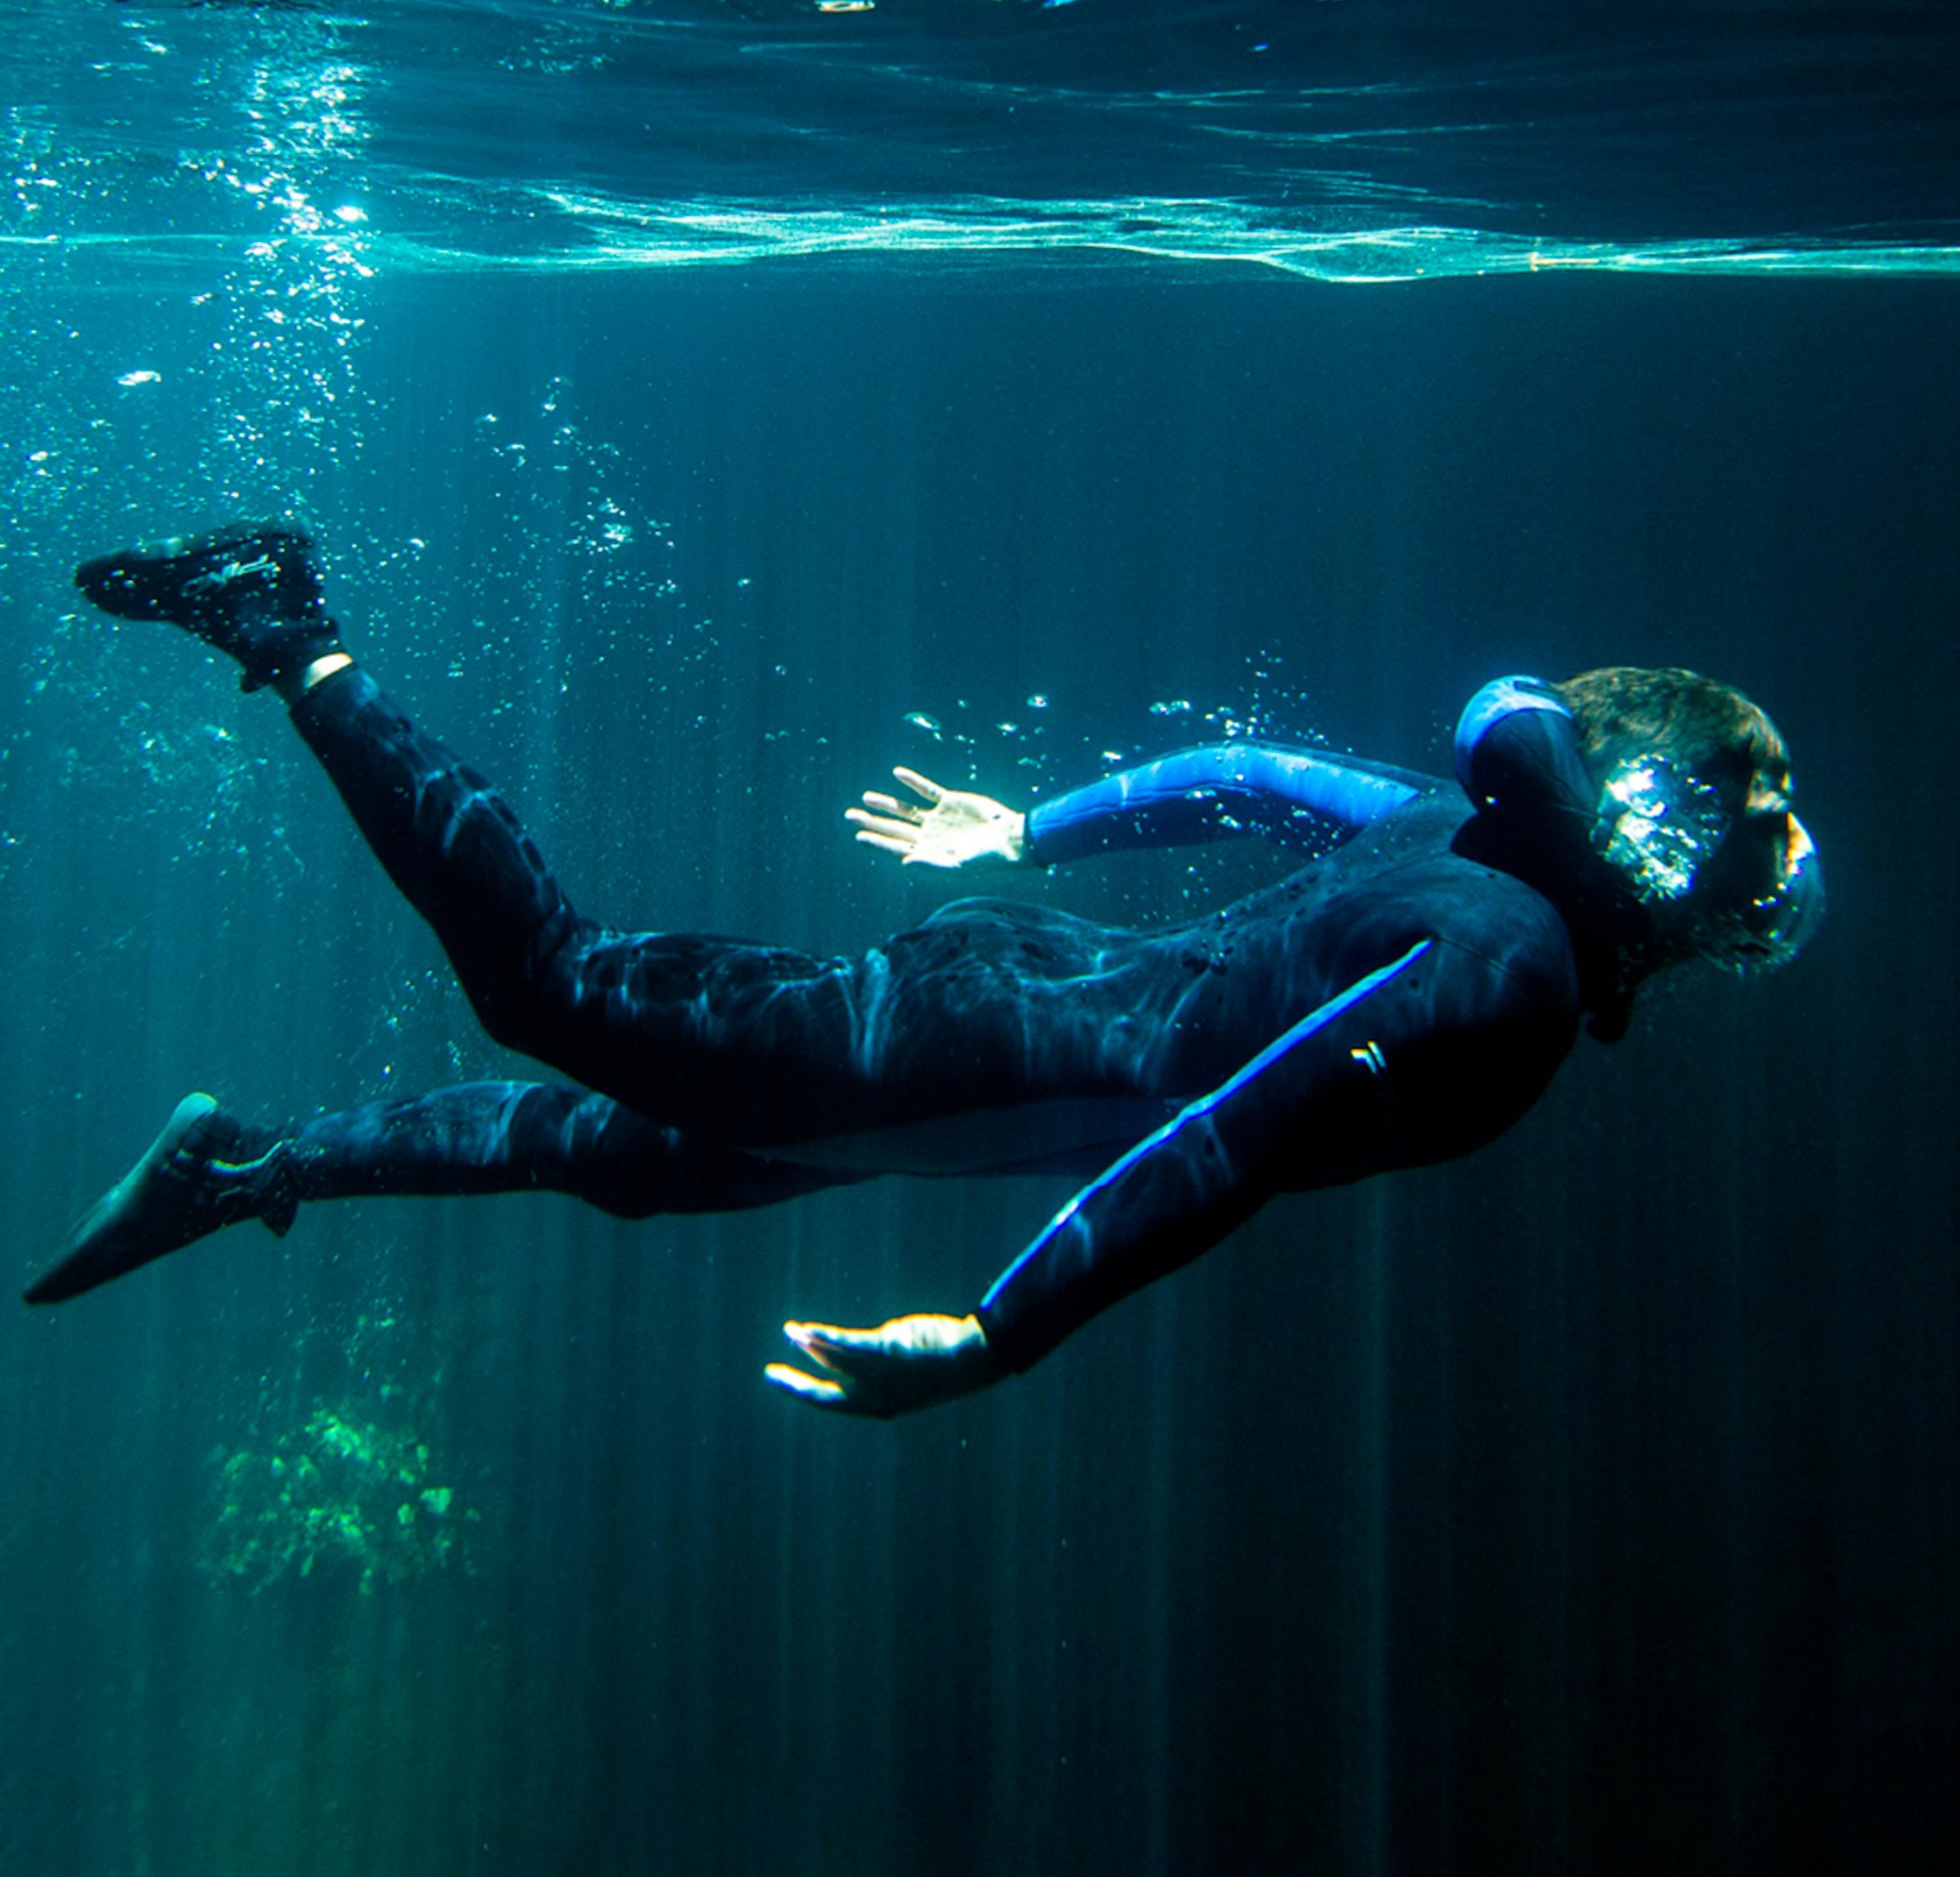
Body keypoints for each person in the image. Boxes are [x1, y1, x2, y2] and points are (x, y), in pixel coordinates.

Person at [24, 525, 1822, 1418]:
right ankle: (291, 628)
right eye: (1770, 806)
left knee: (640, 1159)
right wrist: (999, 1331)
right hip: (987, 1065)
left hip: (1017, 1002)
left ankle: (241, 1164)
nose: (1796, 852)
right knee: (552, 993)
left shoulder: (1477, 835)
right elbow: (1241, 1132)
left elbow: (1253, 778)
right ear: (1653, 807)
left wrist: (1028, 833)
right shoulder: (1509, 960)